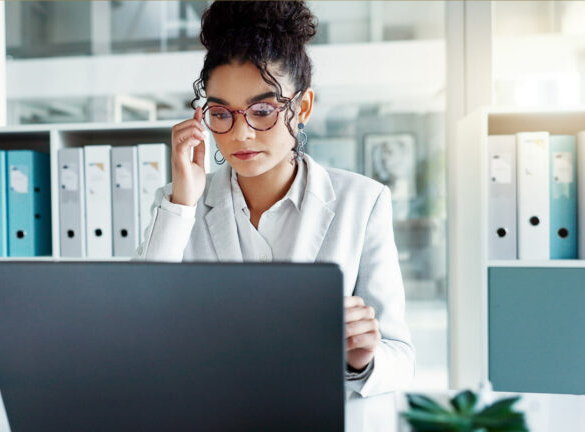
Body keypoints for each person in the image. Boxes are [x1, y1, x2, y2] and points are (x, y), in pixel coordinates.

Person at [133, 0, 414, 399]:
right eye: (221, 112)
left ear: (302, 107)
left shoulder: (362, 202)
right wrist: (182, 202)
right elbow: (134, 326)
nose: (241, 133)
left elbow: (401, 361)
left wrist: (362, 359)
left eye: (262, 110)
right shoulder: (181, 204)